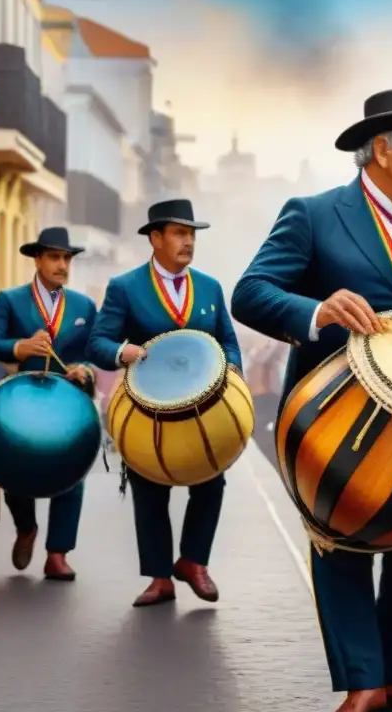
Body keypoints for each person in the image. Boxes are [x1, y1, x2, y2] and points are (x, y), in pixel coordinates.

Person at [231, 89, 392, 712]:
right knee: (339, 540)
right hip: (333, 415)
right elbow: (249, 292)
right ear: (381, 148)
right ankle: (363, 682)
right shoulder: (312, 213)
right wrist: (316, 311)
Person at [86, 199, 242, 608]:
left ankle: (193, 562)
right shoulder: (125, 287)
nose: (188, 242)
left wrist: (234, 371)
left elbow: (227, 340)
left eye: (191, 234)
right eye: (179, 233)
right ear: (155, 238)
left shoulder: (209, 287)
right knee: (148, 487)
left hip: (204, 412)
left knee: (212, 480)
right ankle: (159, 578)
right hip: (147, 410)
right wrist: (123, 352)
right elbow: (97, 343)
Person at [0, 227, 97, 581]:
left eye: (66, 258)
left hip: (67, 408)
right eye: (54, 257)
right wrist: (19, 348)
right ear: (37, 259)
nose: (62, 264)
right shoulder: (10, 299)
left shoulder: (84, 306)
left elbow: (93, 355)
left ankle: (58, 554)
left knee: (73, 474)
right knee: (13, 471)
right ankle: (26, 528)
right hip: (19, 406)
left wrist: (86, 371)